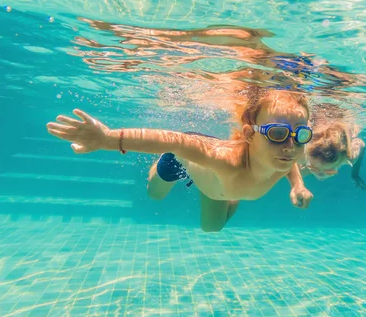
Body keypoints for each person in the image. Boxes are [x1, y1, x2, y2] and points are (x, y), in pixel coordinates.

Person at [46, 89, 315, 232]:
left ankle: (214, 188)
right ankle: (166, 168)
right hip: (184, 160)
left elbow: (289, 162)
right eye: (278, 134)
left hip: (214, 184)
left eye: (301, 135)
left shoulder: (282, 155)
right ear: (249, 135)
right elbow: (172, 140)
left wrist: (297, 186)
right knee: (154, 195)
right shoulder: (225, 161)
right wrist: (108, 139)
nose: (291, 146)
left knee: (212, 229)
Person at [300, 121, 366, 189]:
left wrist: (355, 174)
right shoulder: (301, 156)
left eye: (329, 171)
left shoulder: (350, 158)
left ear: (341, 161)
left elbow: (361, 144)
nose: (321, 175)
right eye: (313, 168)